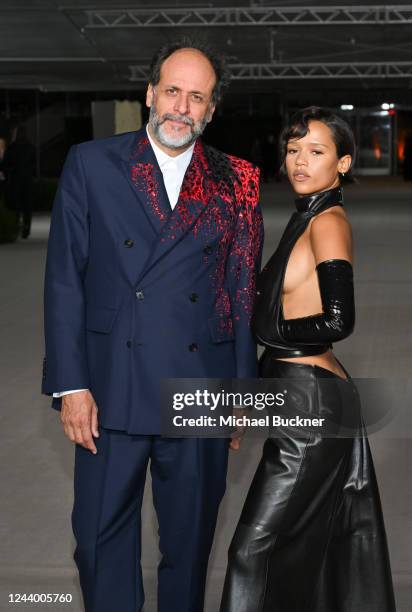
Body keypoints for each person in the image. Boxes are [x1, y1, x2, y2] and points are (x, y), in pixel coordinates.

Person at [41, 39, 263, 612]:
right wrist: (71, 385)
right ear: (149, 93)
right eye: (172, 91)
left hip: (200, 385)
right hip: (112, 381)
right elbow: (65, 280)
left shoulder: (236, 178)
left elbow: (242, 291)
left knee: (188, 548)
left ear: (211, 111)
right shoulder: (93, 163)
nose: (181, 108)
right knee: (96, 541)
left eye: (197, 98)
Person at [220, 107, 396, 612]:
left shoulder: (328, 224)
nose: (299, 161)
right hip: (300, 397)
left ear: (342, 163)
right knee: (301, 544)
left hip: (312, 406)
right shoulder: (307, 217)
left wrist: (268, 329)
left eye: (316, 152)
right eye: (293, 150)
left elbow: (339, 321)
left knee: (251, 548)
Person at [3, 125, 36, 238]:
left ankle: (16, 226)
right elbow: (34, 164)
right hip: (27, 180)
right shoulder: (30, 147)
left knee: (16, 204)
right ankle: (26, 228)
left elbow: (5, 164)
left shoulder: (12, 148)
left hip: (16, 180)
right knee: (27, 205)